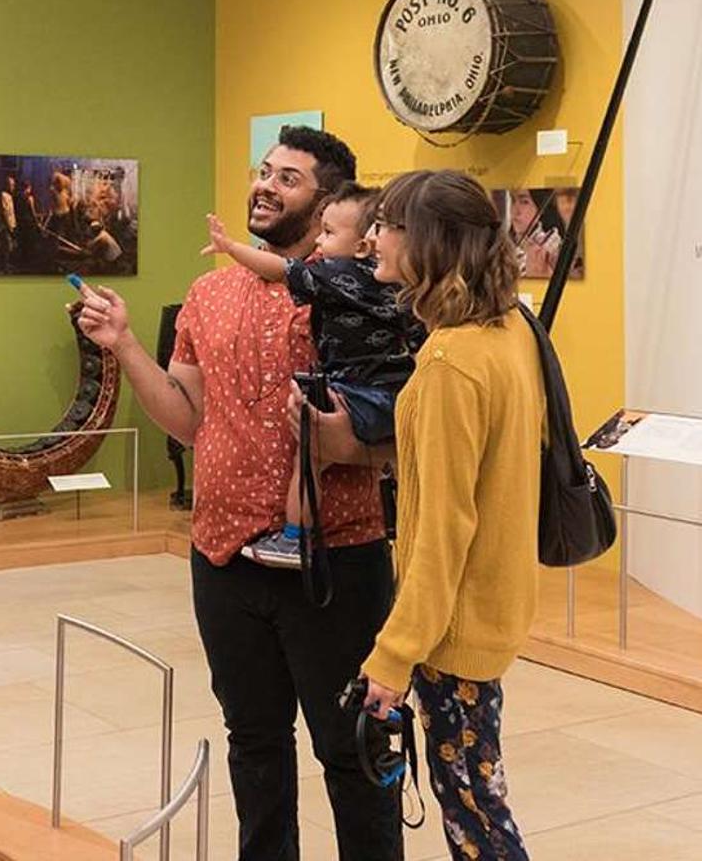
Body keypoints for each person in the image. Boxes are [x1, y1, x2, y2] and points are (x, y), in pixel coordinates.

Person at [76, 125, 403, 861]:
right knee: (253, 744)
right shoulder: (209, 291)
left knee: (352, 751)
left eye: (289, 178)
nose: (265, 185)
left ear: (328, 203)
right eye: (265, 170)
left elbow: (402, 424)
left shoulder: (362, 292)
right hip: (223, 556)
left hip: (334, 561)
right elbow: (189, 421)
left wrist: (339, 443)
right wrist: (126, 346)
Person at [354, 170, 545, 861]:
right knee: (475, 802)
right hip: (490, 603)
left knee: (476, 817)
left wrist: (394, 653)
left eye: (387, 225)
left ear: (426, 242)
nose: (373, 237)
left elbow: (442, 526)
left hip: (454, 628)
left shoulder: (449, 361)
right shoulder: (507, 331)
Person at [201, 186, 423, 569]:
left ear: (363, 246)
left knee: (310, 456)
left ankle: (293, 537)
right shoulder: (398, 282)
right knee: (406, 457)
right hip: (395, 393)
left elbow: (281, 270)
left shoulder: (338, 273)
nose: (318, 241)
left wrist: (233, 248)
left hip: (353, 390)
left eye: (329, 233)